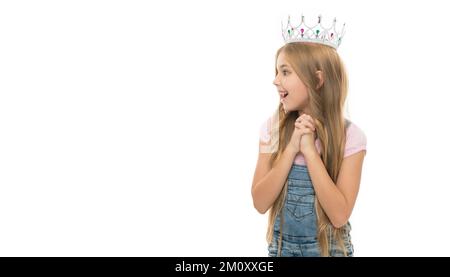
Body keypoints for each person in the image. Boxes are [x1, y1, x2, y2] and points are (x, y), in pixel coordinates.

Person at [251, 15, 367, 257]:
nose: (275, 80)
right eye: (277, 71)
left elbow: (339, 215)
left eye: (285, 72)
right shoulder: (272, 129)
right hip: (282, 251)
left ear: (317, 79)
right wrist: (292, 147)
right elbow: (260, 203)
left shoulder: (350, 136)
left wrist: (310, 152)